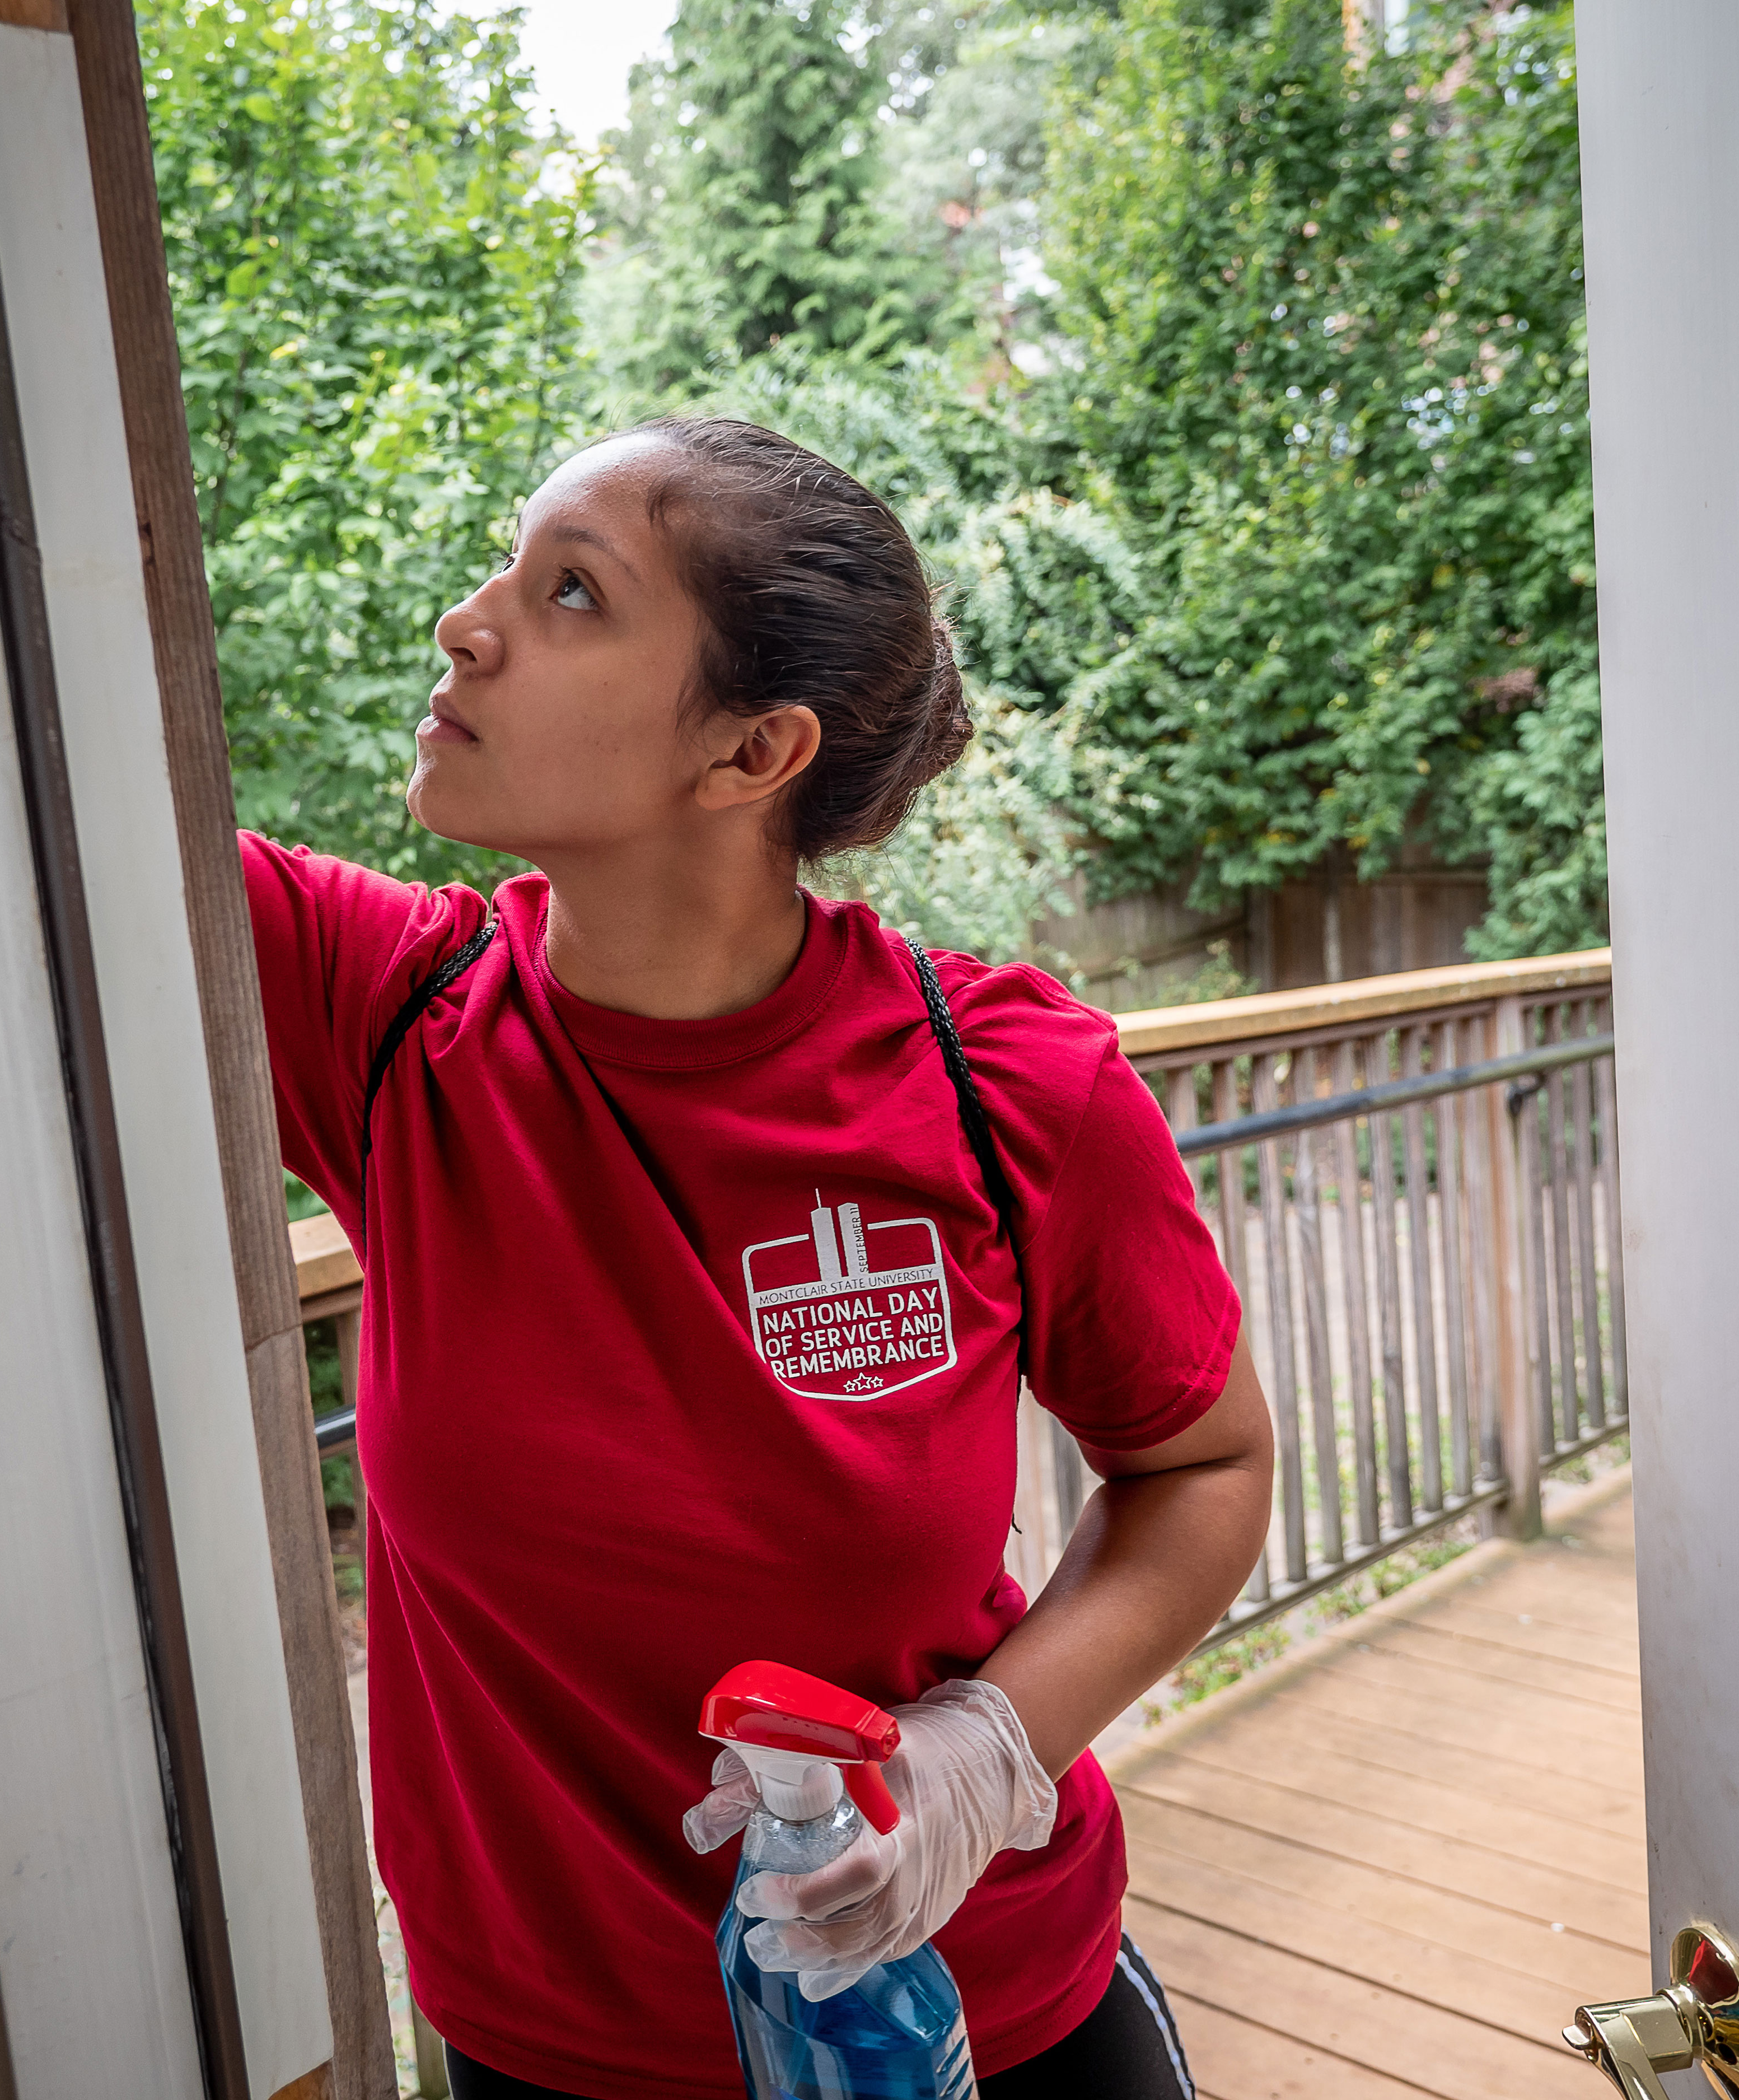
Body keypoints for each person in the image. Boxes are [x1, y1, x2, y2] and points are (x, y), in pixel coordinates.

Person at [246, 418, 1277, 2100]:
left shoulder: (1007, 1086)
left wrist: (990, 1751)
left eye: (570, 592)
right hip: (552, 2054)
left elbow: (1206, 1463)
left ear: (749, 753)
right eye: (512, 565)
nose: (469, 620)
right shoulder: (383, 1027)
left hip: (976, 2027)